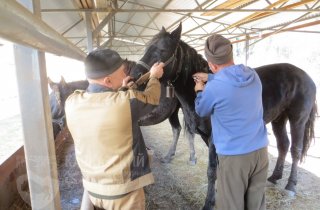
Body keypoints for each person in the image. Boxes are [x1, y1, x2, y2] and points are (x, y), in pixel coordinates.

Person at [65, 49, 164, 210]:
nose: (125, 75)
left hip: (92, 189)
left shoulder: (71, 102)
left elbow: (105, 103)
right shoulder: (126, 102)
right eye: (122, 72)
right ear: (108, 80)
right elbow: (152, 98)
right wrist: (154, 76)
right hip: (125, 192)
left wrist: (123, 89)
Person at [193, 34, 269, 210]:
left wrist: (199, 90)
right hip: (260, 152)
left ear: (212, 65)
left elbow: (201, 110)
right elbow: (230, 80)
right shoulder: (253, 75)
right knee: (256, 205)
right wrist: (211, 77)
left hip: (235, 157)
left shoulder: (213, 88)